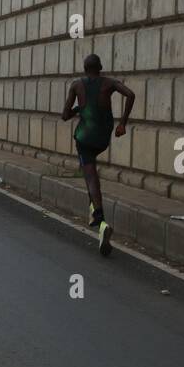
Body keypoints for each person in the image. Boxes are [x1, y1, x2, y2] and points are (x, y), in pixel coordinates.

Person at [60, 53, 134, 256]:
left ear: (85, 69)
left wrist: (77, 109)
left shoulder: (77, 85)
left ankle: (99, 218)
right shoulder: (109, 83)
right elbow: (130, 94)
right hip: (103, 138)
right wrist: (123, 123)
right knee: (91, 174)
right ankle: (94, 212)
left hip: (85, 138)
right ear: (100, 67)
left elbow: (65, 116)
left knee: (90, 175)